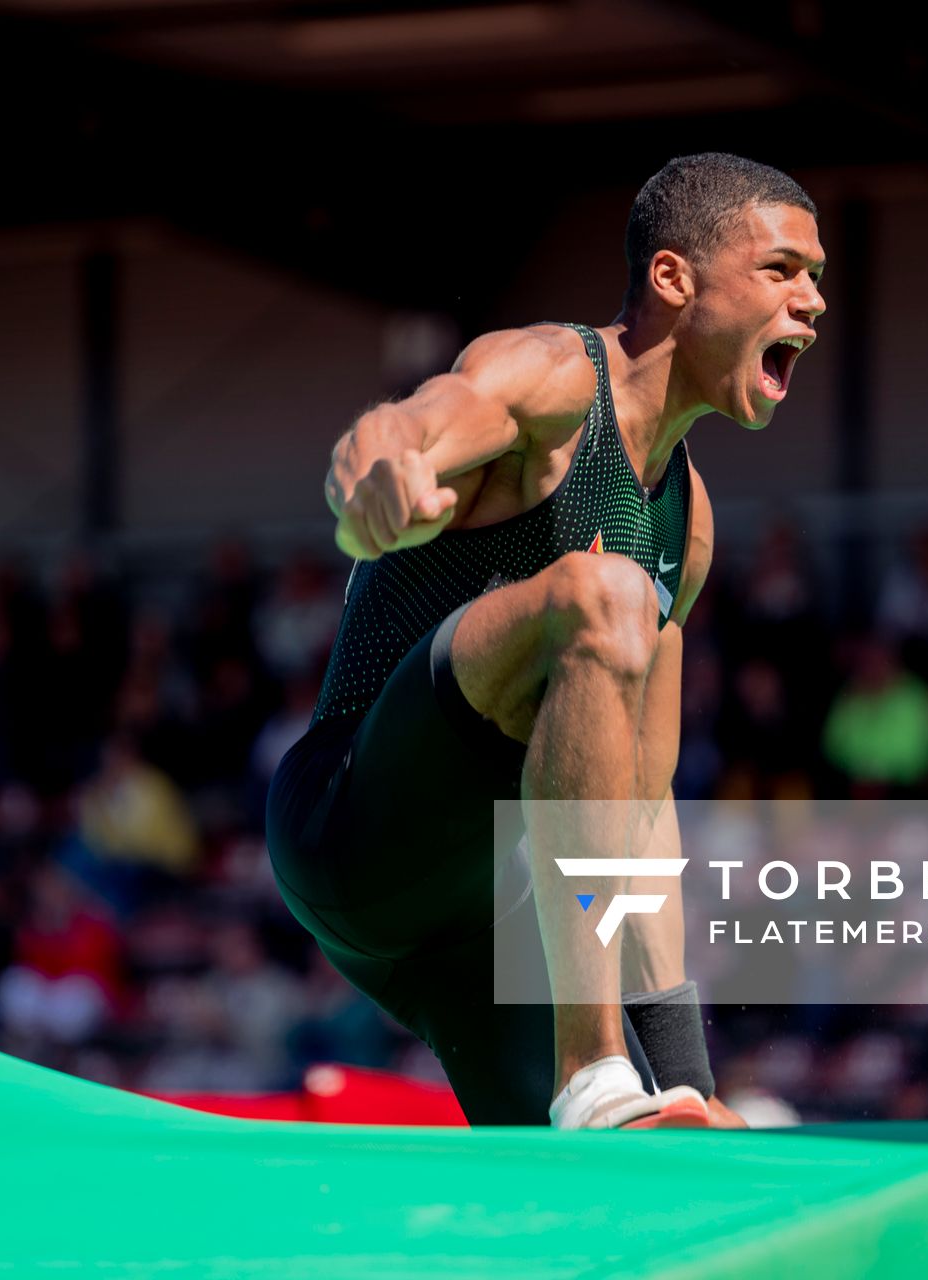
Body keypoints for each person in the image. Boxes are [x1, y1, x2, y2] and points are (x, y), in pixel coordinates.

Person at [266, 153, 825, 1128]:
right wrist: (381, 468)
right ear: (672, 278)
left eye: (817, 277)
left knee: (609, 1185)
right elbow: (420, 421)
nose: (813, 301)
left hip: (482, 924)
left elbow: (642, 803)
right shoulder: (559, 380)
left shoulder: (685, 525)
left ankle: (617, 1084)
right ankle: (590, 1061)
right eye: (783, 269)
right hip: (352, 825)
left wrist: (689, 1079)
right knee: (601, 596)